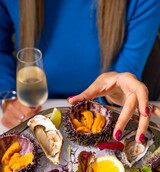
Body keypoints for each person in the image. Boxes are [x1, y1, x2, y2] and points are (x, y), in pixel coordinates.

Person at [0, 0, 160, 143]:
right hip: (35, 107)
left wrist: (115, 94)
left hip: (103, 111)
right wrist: (7, 95)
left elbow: (126, 75)